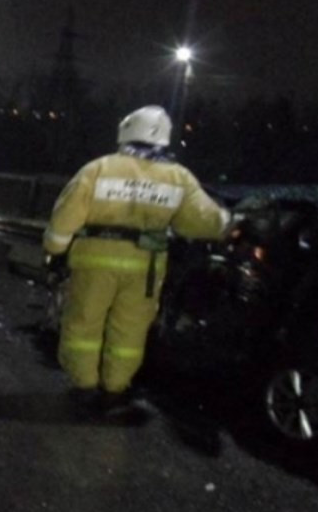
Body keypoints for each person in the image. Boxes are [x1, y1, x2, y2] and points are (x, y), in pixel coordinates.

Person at [42, 105, 230, 414]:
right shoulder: (178, 177)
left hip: (94, 262)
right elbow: (202, 220)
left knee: (83, 324)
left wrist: (55, 249)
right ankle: (115, 389)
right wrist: (228, 220)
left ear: (125, 131)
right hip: (145, 268)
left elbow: (66, 214)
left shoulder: (98, 169)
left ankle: (85, 385)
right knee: (129, 332)